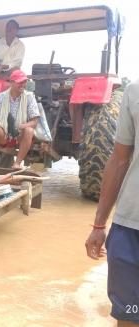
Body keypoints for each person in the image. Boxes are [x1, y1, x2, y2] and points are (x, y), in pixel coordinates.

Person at [85, 80, 139, 326]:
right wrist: (98, 225)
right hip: (130, 227)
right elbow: (119, 158)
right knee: (129, 314)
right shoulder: (135, 90)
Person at [0, 69, 39, 169]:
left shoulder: (29, 97)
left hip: (20, 135)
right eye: (19, 82)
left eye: (24, 82)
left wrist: (21, 126)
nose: (22, 85)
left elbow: (34, 122)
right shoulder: (0, 97)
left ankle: (17, 164)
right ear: (12, 82)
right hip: (4, 134)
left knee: (29, 130)